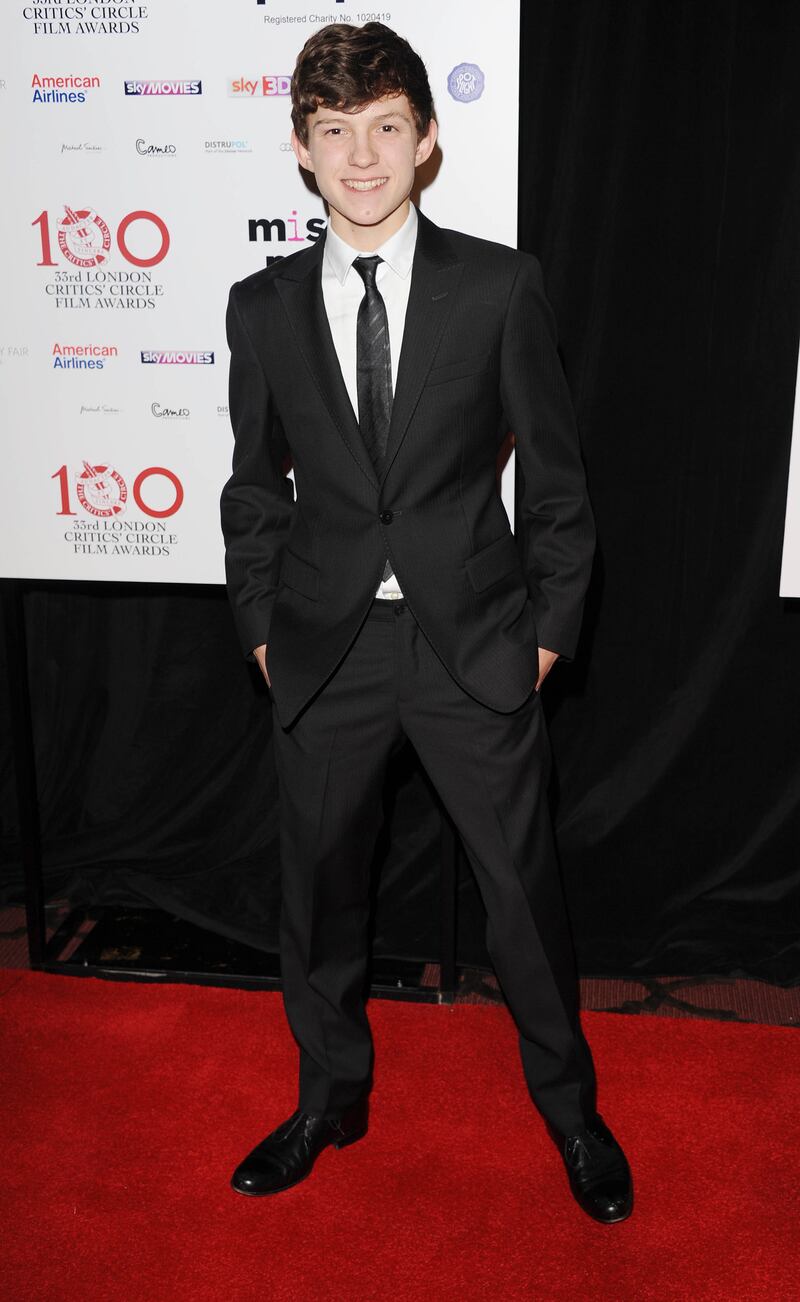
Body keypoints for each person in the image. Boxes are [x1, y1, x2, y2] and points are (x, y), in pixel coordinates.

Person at [220, 21, 632, 1224]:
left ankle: (570, 1113)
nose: (361, 157)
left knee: (520, 897)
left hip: (474, 649)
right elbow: (254, 487)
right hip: (323, 652)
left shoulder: (498, 286)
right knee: (320, 900)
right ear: (301, 149)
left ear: (427, 140)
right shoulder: (261, 307)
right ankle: (326, 1101)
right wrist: (259, 628)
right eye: (335, 133)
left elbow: (555, 484)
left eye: (385, 128)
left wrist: (546, 632)